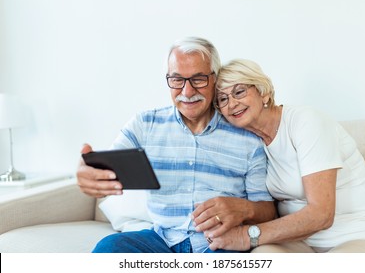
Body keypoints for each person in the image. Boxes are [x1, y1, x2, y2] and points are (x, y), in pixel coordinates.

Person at [76, 38, 276, 253]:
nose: (187, 91)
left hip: (220, 244)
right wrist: (86, 170)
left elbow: (268, 211)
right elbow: (103, 168)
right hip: (160, 240)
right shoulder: (145, 124)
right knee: (110, 247)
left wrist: (244, 209)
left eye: (198, 79)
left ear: (215, 79)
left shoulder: (246, 135)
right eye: (177, 79)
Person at [192, 58, 365, 253]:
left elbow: (322, 215)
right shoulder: (252, 144)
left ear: (264, 93)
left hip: (361, 236)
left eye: (239, 92)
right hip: (300, 242)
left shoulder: (306, 122)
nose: (232, 103)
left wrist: (247, 236)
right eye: (223, 100)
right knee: (263, 259)